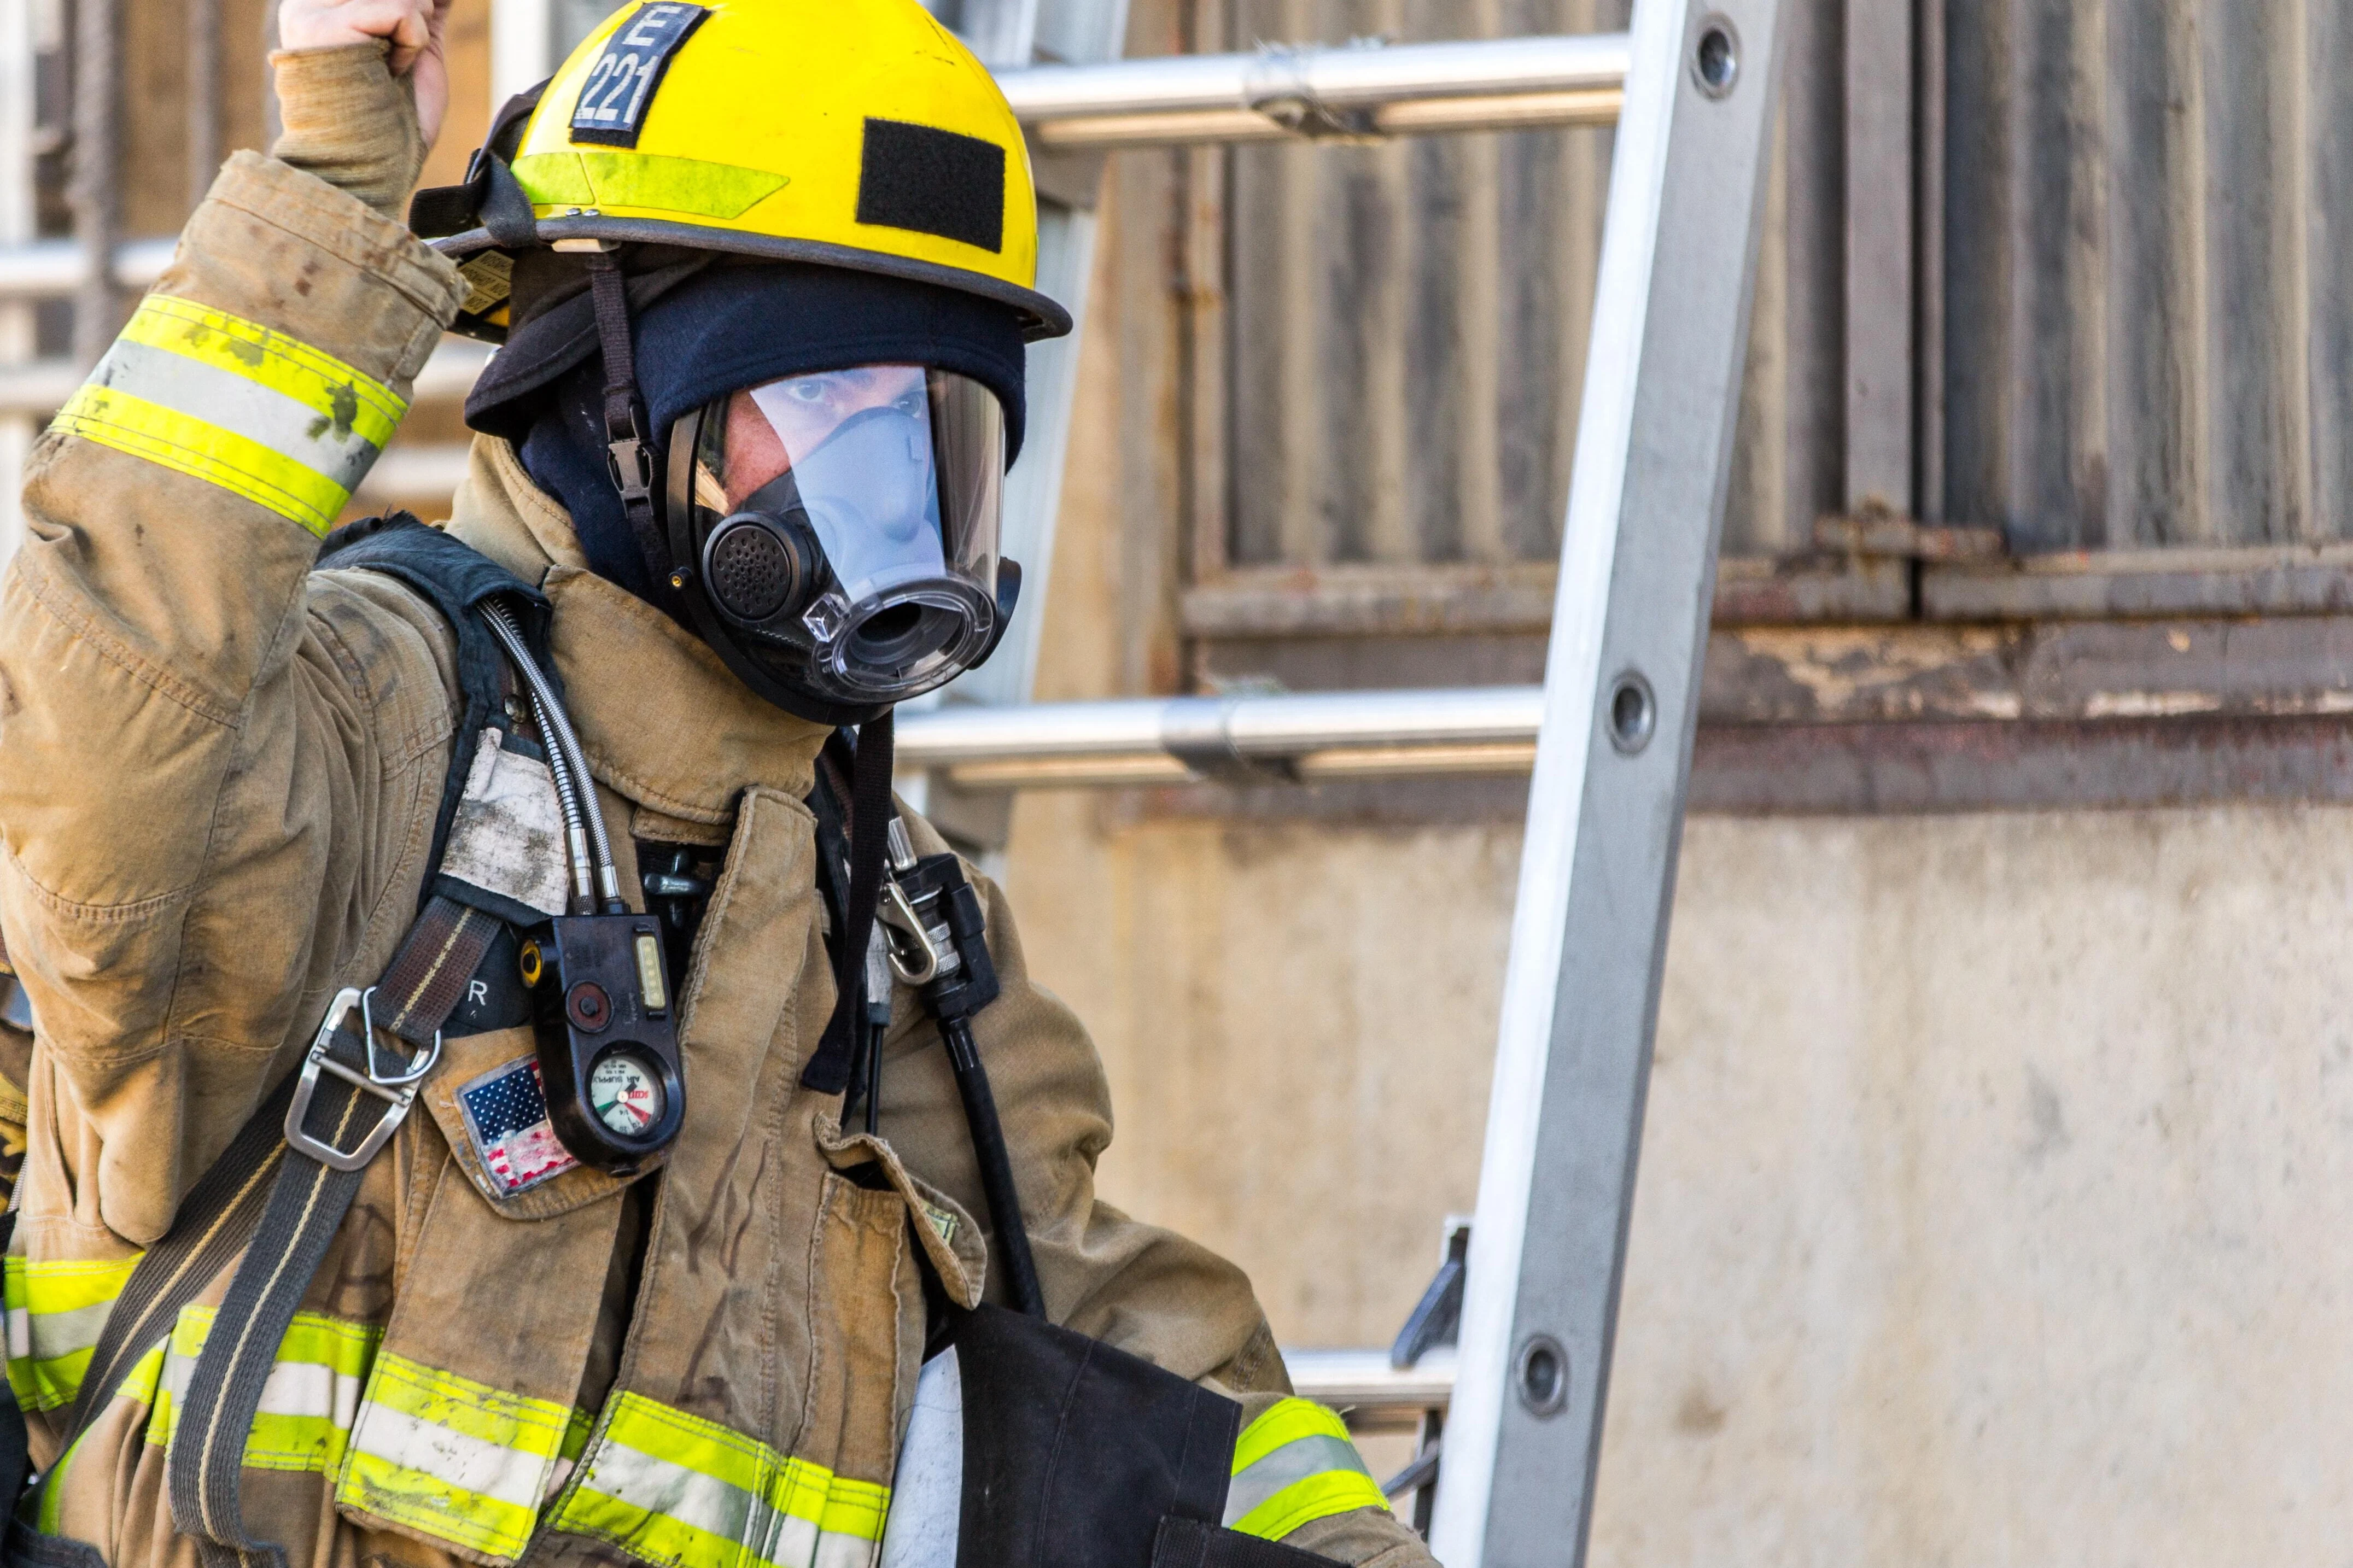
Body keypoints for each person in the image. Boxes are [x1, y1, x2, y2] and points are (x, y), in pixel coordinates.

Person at [0, 1, 1443, 1565]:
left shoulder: (882, 923)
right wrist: (335, 188)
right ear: (615, 400)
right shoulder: (361, 734)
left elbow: (1132, 1349)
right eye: (834, 422)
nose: (894, 527)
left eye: (940, 446)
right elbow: (108, 739)